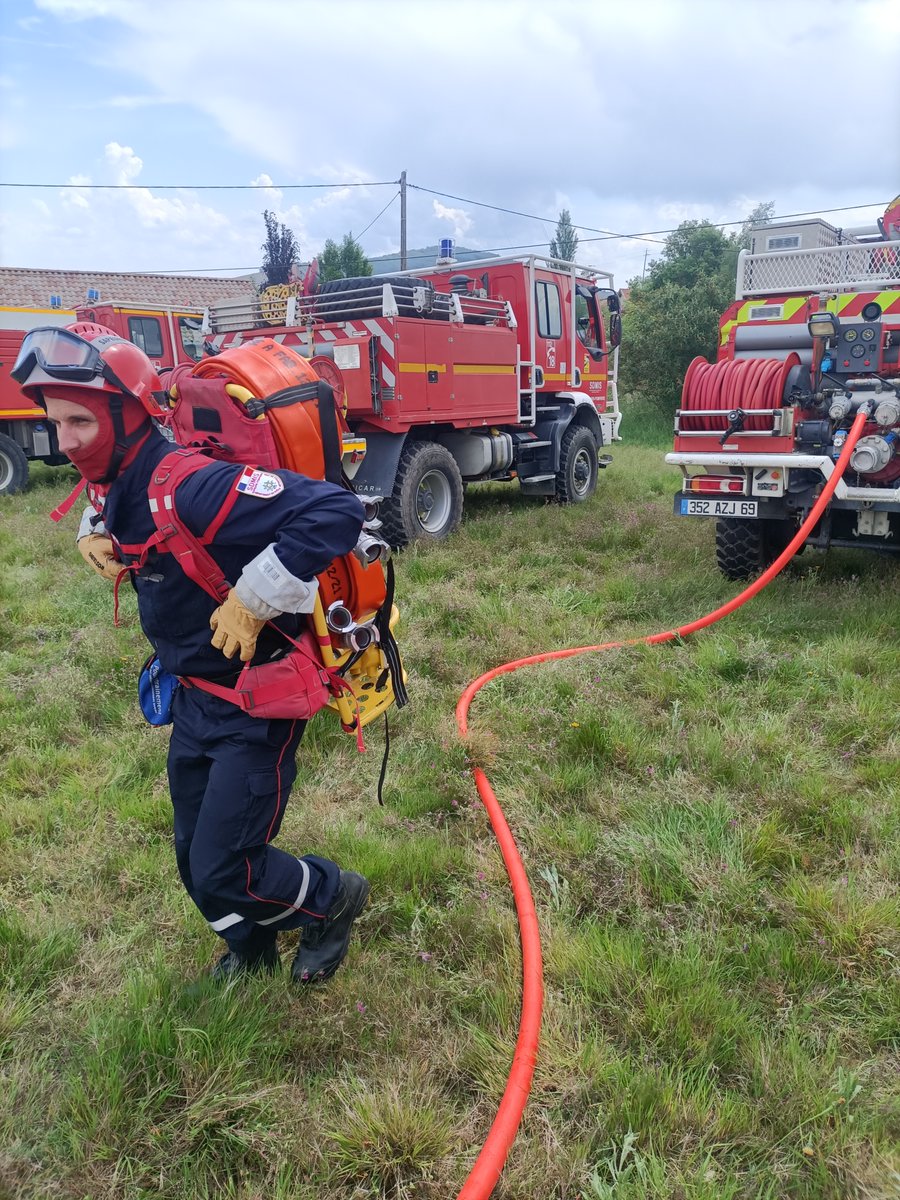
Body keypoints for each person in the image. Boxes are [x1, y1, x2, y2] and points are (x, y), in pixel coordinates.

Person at [13, 323, 371, 983]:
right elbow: (114, 505)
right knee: (190, 859)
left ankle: (331, 898)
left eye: (78, 424)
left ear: (124, 418)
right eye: (55, 423)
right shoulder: (119, 476)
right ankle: (253, 951)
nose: (63, 443)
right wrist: (94, 534)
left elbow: (333, 511)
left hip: (257, 705)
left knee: (227, 866)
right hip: (196, 699)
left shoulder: (192, 487)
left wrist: (251, 597)